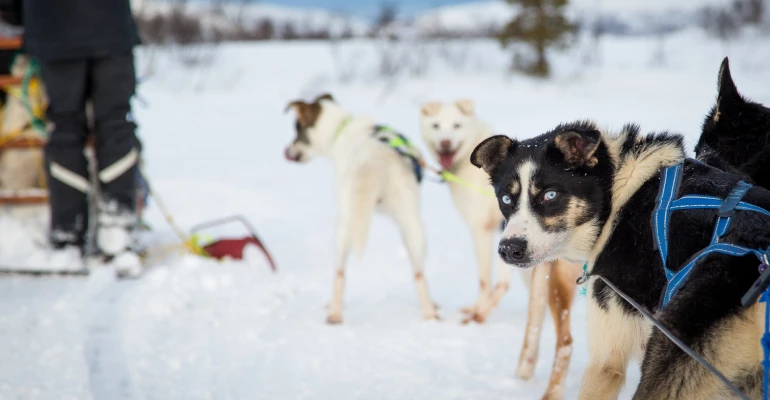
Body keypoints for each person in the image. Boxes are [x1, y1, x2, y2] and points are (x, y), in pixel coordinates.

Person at [0, 0, 144, 277]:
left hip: (52, 29)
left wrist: (18, 15)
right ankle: (118, 226)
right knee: (116, 124)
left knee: (65, 128)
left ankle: (68, 233)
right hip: (111, 27)